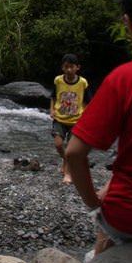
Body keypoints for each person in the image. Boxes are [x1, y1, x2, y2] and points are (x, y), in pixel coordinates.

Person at [66, 0, 132, 255]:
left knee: (106, 225)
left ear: (129, 23)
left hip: (131, 218)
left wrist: (94, 203)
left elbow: (74, 153)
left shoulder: (125, 79)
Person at [50, 53, 90, 183]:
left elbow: (86, 101)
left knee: (71, 150)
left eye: (71, 67)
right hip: (60, 119)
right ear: (62, 67)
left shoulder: (83, 83)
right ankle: (66, 160)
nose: (69, 70)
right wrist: (51, 109)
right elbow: (53, 96)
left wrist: (87, 116)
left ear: (77, 67)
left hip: (76, 120)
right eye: (66, 67)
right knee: (58, 144)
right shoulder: (58, 80)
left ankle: (68, 174)